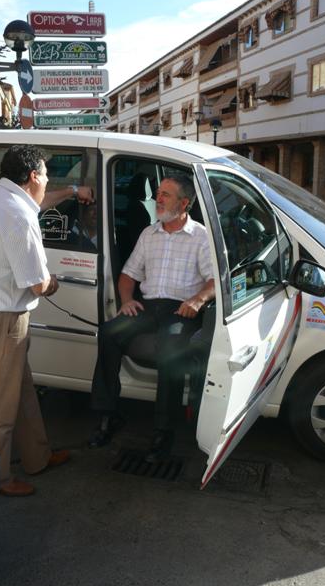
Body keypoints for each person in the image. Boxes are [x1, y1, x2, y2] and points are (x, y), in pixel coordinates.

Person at [0, 145, 87, 497]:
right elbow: (37, 282)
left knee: (23, 394)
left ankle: (37, 456)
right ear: (33, 176)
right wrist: (56, 281)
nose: (48, 181)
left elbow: (39, 204)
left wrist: (73, 193)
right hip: (3, 319)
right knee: (1, 406)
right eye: (46, 175)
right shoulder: (17, 214)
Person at [88, 175, 215, 462]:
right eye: (158, 193)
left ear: (184, 203)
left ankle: (163, 431)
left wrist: (197, 301)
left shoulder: (201, 236)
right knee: (108, 332)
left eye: (166, 195)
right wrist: (127, 300)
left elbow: (213, 282)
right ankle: (108, 415)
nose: (158, 199)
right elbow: (128, 275)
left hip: (180, 309)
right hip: (147, 306)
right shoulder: (149, 234)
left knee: (170, 353)